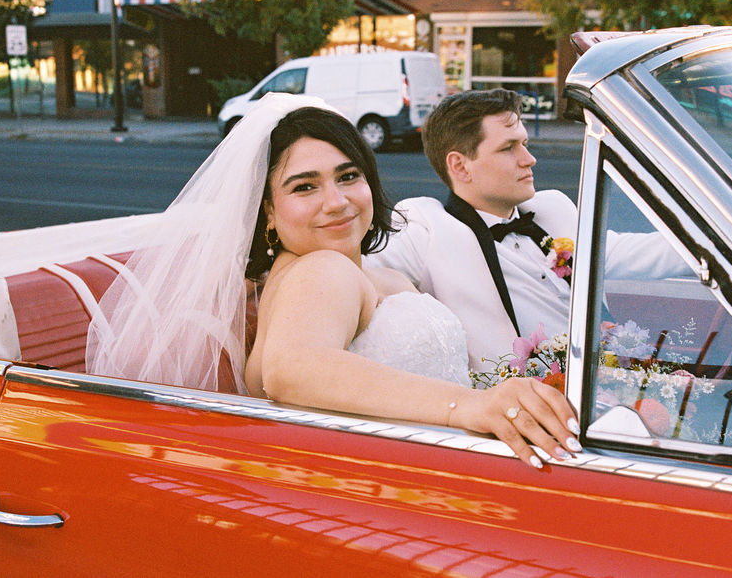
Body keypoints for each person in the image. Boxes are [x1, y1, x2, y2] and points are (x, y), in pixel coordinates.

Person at [87, 92, 581, 469]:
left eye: (348, 176)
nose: (337, 201)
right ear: (268, 213)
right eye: (305, 186)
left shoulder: (355, 271)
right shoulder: (321, 271)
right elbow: (291, 367)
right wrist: (472, 406)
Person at [368, 88, 685, 369]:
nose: (529, 159)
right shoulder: (427, 229)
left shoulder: (553, 209)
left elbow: (634, 253)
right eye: (509, 148)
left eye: (525, 143)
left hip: (605, 382)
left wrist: (715, 247)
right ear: (460, 166)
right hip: (519, 412)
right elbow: (347, 273)